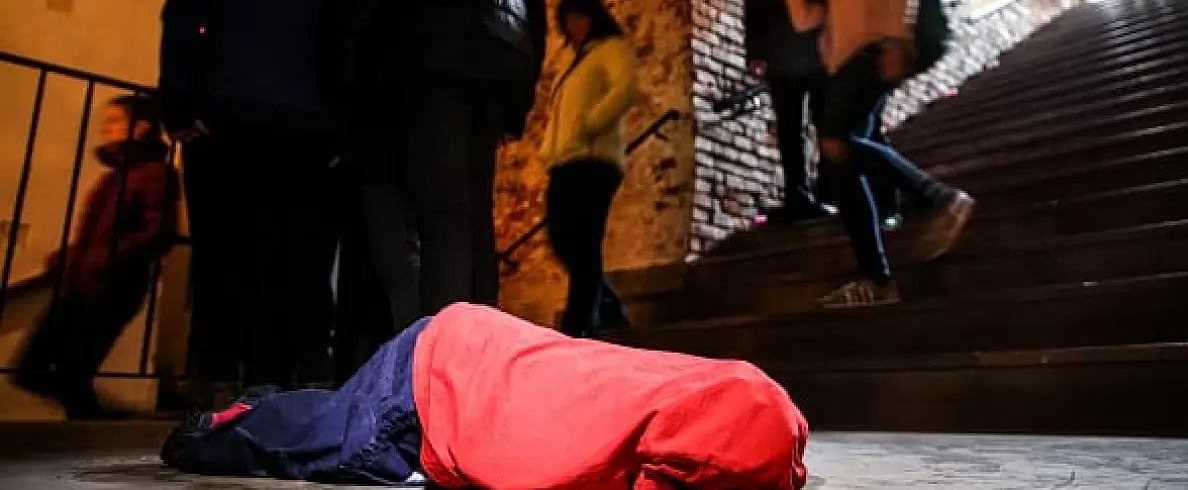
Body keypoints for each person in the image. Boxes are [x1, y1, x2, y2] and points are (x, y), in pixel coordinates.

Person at [162, 303, 809, 489]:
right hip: (441, 382)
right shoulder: (723, 429)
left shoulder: (746, 400)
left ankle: (273, 399)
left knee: (342, 421)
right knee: (328, 447)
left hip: (472, 350)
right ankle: (224, 422)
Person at [159, 0, 351, 403]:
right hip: (304, 131)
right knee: (294, 261)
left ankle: (216, 385)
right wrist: (339, 128)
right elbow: (346, 42)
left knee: (221, 255)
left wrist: (180, 110)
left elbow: (181, 19)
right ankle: (282, 392)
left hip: (223, 120)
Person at [349, 0, 550, 330]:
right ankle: (477, 352)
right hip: (496, 62)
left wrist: (357, 60)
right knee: (473, 214)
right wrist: (519, 97)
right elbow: (535, 5)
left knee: (436, 212)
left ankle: (441, 357)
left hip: (426, 55)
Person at [781, 0, 974, 309]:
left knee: (834, 142)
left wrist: (896, 39)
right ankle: (878, 280)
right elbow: (804, 20)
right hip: (842, 65)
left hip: (873, 52)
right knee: (842, 163)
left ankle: (937, 197)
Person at [16, 95, 179, 419]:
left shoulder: (154, 174)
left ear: (140, 127)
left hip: (113, 285)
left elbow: (158, 231)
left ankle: (113, 422)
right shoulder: (117, 175)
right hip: (79, 283)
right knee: (38, 371)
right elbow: (99, 232)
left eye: (115, 121)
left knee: (67, 376)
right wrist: (69, 258)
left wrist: (104, 259)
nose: (107, 128)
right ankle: (109, 419)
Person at [541, 0, 638, 337]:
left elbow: (625, 89)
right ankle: (607, 307)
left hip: (595, 161)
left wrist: (591, 123)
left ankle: (578, 324)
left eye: (580, 16)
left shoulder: (611, 49)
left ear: (594, 16)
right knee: (562, 239)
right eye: (568, 19)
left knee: (582, 242)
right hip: (565, 161)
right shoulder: (573, 62)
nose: (575, 24)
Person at [744, 0, 829, 225]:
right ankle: (798, 198)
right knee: (790, 130)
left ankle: (830, 193)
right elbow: (752, 11)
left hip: (817, 51)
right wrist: (755, 53)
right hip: (781, 58)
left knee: (826, 123)